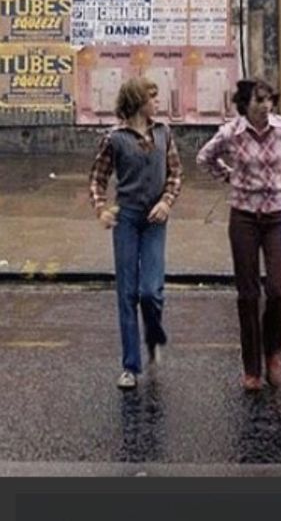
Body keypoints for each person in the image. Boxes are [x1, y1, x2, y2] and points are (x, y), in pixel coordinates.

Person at [196, 77, 281, 391]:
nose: (265, 106)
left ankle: (274, 350)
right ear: (244, 104)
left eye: (269, 99)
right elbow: (205, 157)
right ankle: (252, 368)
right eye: (258, 100)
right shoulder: (231, 132)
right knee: (247, 294)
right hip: (244, 216)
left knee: (278, 288)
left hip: (278, 216)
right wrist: (230, 177)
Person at [89, 77, 182, 390]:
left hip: (155, 218)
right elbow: (97, 178)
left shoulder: (163, 132)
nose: (157, 103)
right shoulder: (114, 139)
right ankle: (130, 365)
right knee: (127, 293)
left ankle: (154, 335)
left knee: (150, 291)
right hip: (126, 217)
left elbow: (175, 174)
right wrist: (102, 208)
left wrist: (167, 202)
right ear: (137, 101)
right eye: (151, 97)